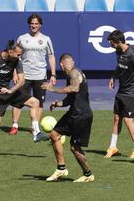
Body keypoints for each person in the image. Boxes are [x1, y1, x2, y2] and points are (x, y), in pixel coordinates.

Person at [41, 53, 94, 182]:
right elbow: (71, 98)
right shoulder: (72, 75)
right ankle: (61, 168)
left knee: (75, 148)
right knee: (54, 135)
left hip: (81, 116)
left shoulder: (74, 73)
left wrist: (52, 89)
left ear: (61, 65)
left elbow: (74, 88)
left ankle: (88, 175)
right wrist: (58, 104)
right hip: (73, 113)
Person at [9, 13, 56, 135]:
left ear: (40, 25)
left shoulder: (46, 39)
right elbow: (15, 56)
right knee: (18, 101)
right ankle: (14, 125)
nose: (34, 26)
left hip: (40, 75)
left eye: (36, 23)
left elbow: (51, 56)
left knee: (39, 102)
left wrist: (53, 74)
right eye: (32, 23)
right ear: (29, 24)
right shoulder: (22, 38)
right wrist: (14, 73)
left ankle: (34, 127)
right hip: (24, 75)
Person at [104, 30, 134, 159]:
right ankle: (113, 147)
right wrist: (113, 77)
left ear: (119, 42)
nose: (111, 45)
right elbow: (119, 66)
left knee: (128, 119)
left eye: (112, 43)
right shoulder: (118, 51)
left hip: (131, 92)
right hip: (121, 90)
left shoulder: (133, 55)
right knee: (116, 118)